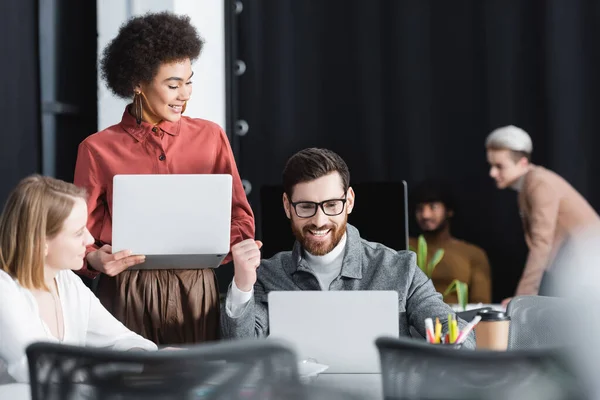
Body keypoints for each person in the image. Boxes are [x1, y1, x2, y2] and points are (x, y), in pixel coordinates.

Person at [73, 12, 255, 344]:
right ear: (137, 84)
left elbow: (240, 216)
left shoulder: (211, 137)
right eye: (173, 84)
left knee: (197, 389)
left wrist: (224, 245)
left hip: (196, 288)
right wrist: (93, 258)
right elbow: (76, 231)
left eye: (189, 81)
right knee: (129, 389)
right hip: (127, 290)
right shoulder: (96, 149)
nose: (185, 94)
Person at [221, 148, 475, 348]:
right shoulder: (267, 275)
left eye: (331, 205)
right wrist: (242, 286)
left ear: (349, 201)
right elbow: (242, 351)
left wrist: (451, 345)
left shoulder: (400, 269)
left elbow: (458, 336)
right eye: (306, 206)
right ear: (287, 206)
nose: (319, 221)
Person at [0, 176, 157, 383]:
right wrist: (123, 365)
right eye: (78, 233)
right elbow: (41, 370)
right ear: (40, 242)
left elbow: (122, 340)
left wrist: (153, 359)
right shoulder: (5, 291)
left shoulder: (65, 281)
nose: (90, 240)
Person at [486, 125, 600, 306]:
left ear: (523, 163)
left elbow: (541, 244)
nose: (492, 173)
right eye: (491, 166)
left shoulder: (539, 184)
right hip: (579, 270)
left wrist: (521, 300)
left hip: (590, 270)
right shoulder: (529, 184)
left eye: (499, 166)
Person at [409, 180, 491, 304]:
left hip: (456, 320)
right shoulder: (405, 248)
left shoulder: (473, 253)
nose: (425, 215)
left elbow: (481, 303)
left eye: (433, 207)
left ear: (449, 211)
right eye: (420, 209)